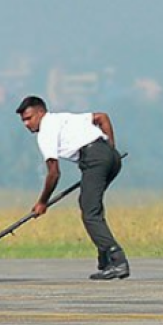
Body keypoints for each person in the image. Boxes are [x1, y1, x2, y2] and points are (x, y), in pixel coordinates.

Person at [16, 96, 128, 280]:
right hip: (111, 157)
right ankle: (105, 259)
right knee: (91, 206)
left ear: (40, 113)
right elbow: (102, 117)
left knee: (90, 212)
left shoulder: (46, 131)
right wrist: (110, 150)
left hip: (94, 159)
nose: (26, 124)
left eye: (29, 118)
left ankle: (117, 260)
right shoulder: (63, 118)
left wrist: (42, 202)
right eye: (23, 121)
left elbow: (54, 173)